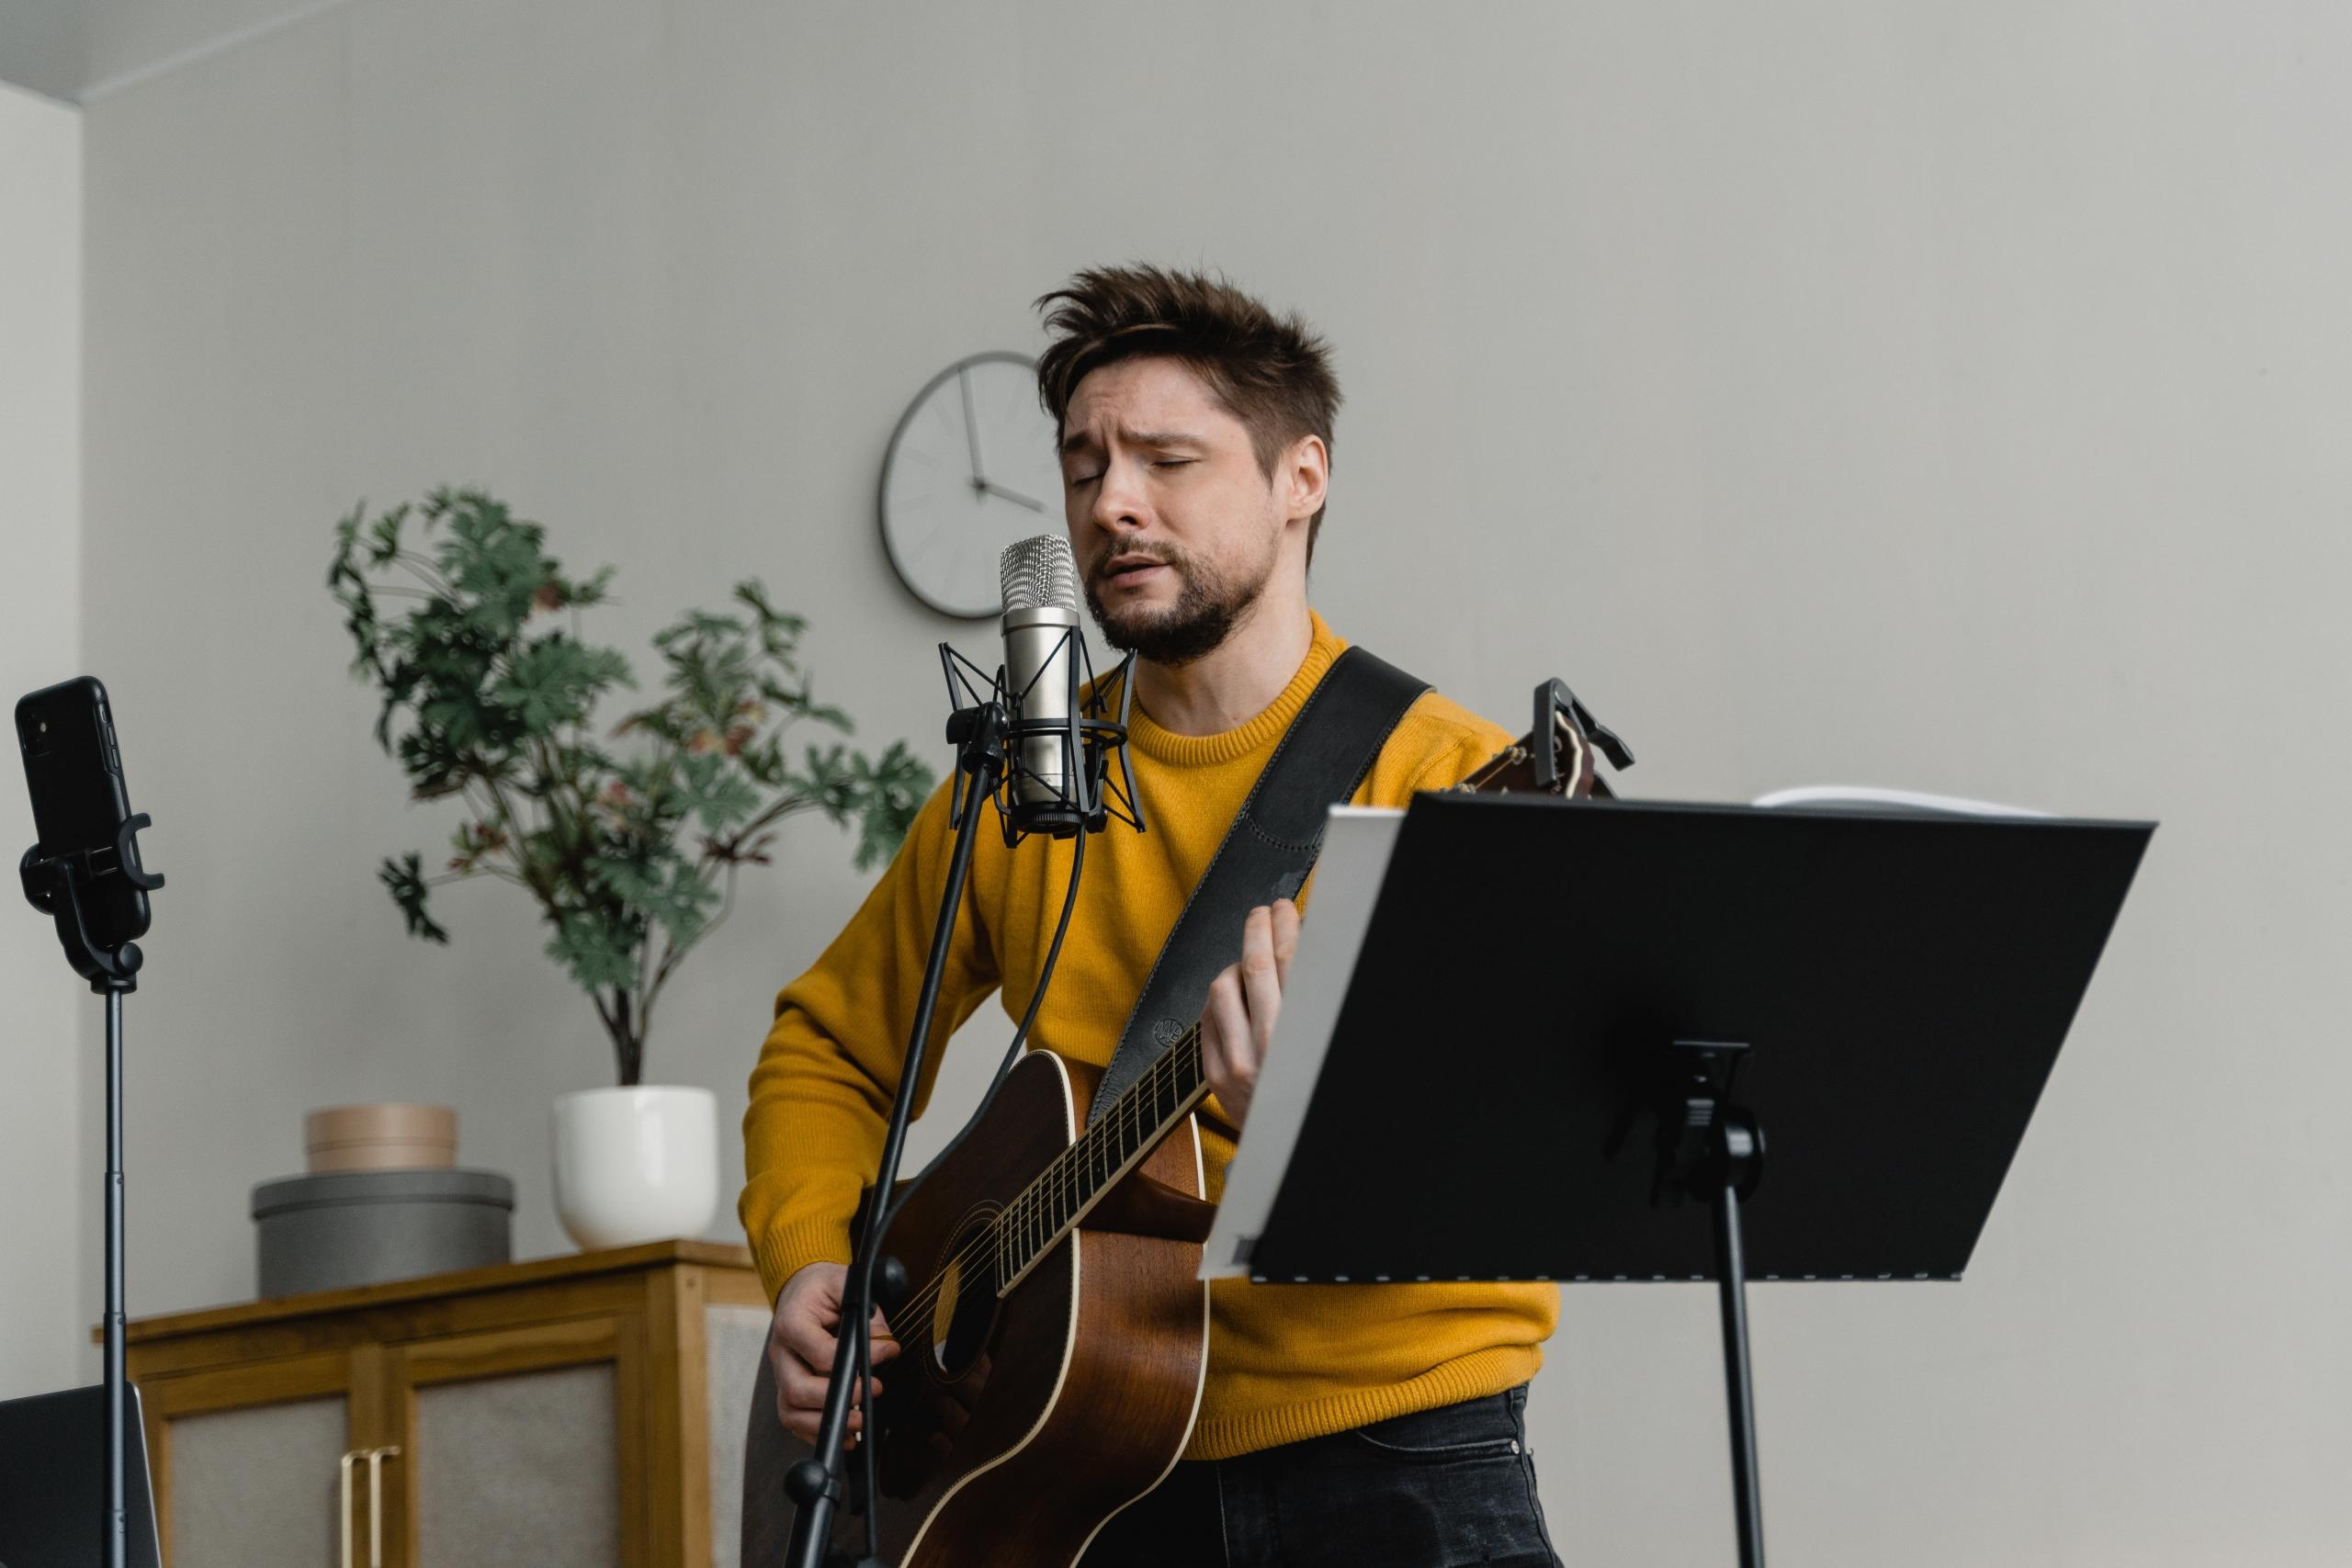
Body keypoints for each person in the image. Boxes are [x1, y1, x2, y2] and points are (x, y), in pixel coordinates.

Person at [741, 264, 1563, 1567]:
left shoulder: (1443, 781)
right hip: (1072, 1469)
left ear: (1304, 478)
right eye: (1084, 466)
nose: (1111, 503)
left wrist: (1312, 1113)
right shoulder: (1012, 793)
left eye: (1168, 461)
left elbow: (1529, 1139)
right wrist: (802, 1262)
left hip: (1398, 1450)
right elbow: (829, 1049)